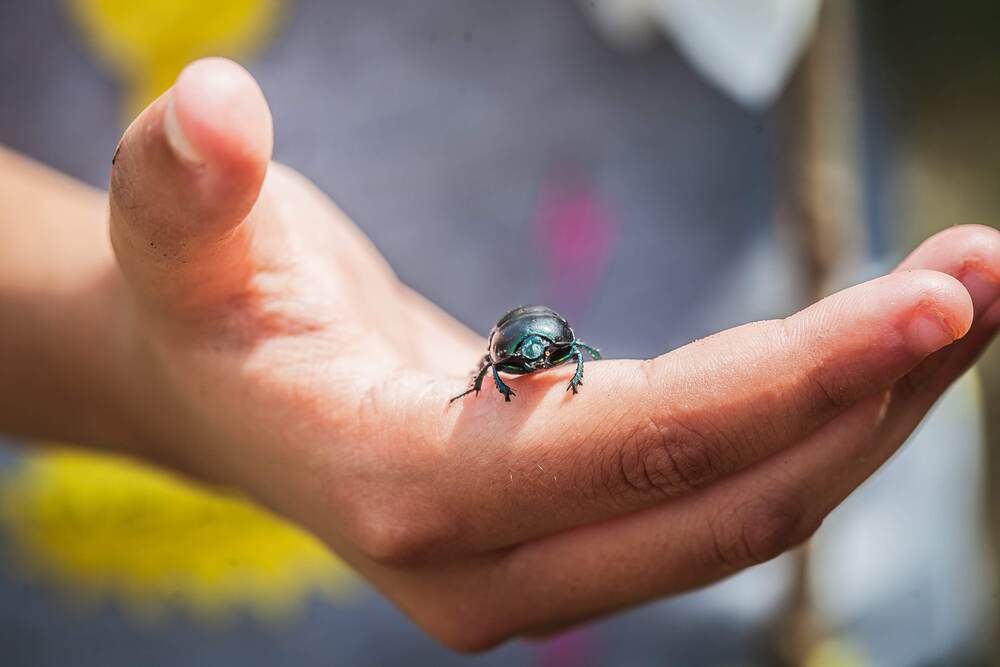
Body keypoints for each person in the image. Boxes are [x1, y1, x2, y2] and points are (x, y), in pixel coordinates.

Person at [1, 57, 997, 652]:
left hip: (865, 610)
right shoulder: (532, 347)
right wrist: (133, 357)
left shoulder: (521, 346)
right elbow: (534, 357)